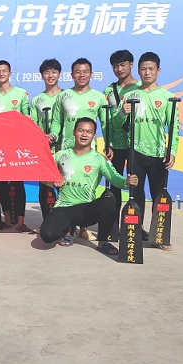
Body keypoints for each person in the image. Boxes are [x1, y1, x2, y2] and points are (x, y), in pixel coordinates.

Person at [40, 117, 138, 255]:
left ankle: (102, 242)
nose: (84, 134)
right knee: (47, 236)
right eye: (81, 130)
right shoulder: (61, 155)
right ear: (74, 132)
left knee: (108, 203)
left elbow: (115, 178)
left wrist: (127, 182)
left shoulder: (98, 159)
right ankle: (67, 230)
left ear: (94, 135)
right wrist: (52, 181)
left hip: (86, 210)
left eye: (89, 132)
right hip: (64, 207)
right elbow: (43, 176)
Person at [117, 51, 179, 250]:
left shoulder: (168, 98)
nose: (147, 72)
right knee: (135, 194)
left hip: (159, 154)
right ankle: (135, 232)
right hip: (135, 153)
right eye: (143, 69)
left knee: (158, 195)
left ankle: (160, 236)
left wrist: (172, 151)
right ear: (138, 70)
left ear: (158, 70)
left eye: (151, 69)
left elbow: (174, 127)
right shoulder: (130, 95)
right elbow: (120, 122)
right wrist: (122, 112)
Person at [49, 57, 108, 241]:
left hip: (89, 151)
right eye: (78, 72)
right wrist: (53, 136)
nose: (81, 75)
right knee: (65, 187)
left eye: (85, 72)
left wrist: (108, 145)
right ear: (72, 75)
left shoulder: (99, 97)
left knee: (86, 187)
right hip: (67, 149)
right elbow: (57, 121)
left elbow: (105, 124)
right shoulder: (63, 95)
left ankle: (83, 227)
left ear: (91, 74)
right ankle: (67, 228)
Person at [0, 60, 32, 232]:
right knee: (2, 183)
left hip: (17, 145)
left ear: (10, 74)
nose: (1, 74)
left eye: (4, 71)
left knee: (18, 183)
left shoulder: (21, 94)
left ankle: (21, 221)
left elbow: (28, 119)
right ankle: (8, 219)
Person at [103, 50, 141, 221]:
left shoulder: (141, 88)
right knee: (115, 186)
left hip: (136, 145)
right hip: (116, 146)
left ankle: (136, 226)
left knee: (136, 186)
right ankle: (113, 225)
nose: (119, 69)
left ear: (131, 64)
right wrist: (108, 144)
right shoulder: (108, 91)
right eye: (115, 66)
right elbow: (107, 122)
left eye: (123, 65)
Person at [30, 58, 63, 219]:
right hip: (44, 150)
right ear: (42, 75)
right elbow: (33, 125)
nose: (50, 75)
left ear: (59, 74)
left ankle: (69, 225)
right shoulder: (36, 100)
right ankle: (47, 222)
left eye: (54, 72)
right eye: (47, 72)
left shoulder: (66, 96)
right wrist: (41, 138)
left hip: (64, 148)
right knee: (44, 187)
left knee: (66, 187)